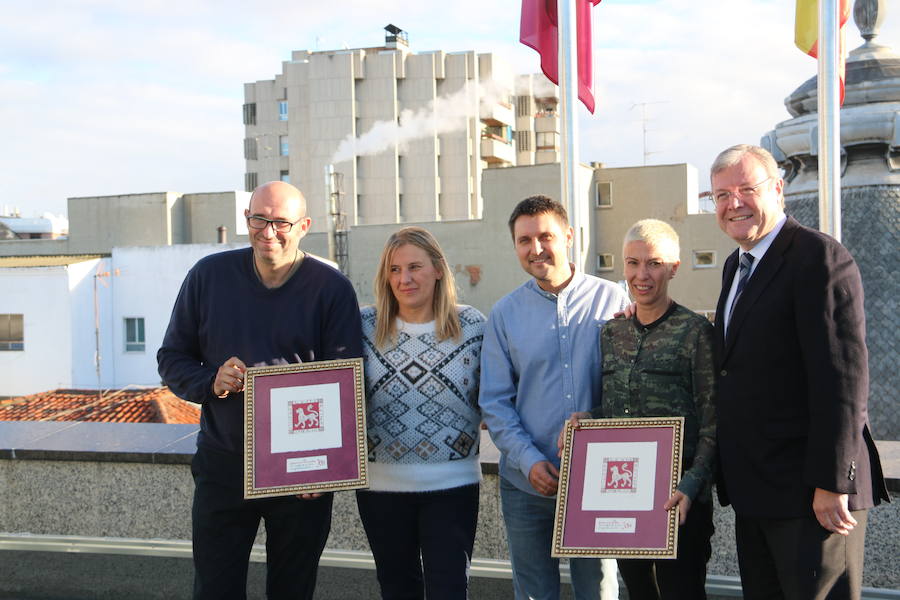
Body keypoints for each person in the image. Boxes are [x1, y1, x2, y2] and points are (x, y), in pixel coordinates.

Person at [157, 181, 363, 600]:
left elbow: (348, 384)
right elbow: (172, 358)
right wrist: (210, 381)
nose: (268, 232)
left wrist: (325, 469)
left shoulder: (332, 288)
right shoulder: (208, 277)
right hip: (224, 465)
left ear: (304, 225)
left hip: (301, 475)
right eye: (259, 219)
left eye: (281, 222)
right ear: (246, 220)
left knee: (292, 589)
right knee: (215, 588)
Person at [710, 144, 889, 599]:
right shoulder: (736, 266)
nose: (734, 204)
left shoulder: (818, 257)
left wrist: (832, 482)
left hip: (813, 495)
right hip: (758, 489)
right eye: (721, 195)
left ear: (778, 190)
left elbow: (843, 380)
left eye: (746, 189)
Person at [479, 195, 627, 600]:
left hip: (597, 483)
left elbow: (630, 385)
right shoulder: (504, 314)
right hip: (526, 485)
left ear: (569, 237)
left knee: (598, 592)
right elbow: (495, 402)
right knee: (533, 594)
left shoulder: (614, 301)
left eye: (545, 236)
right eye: (524, 240)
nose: (536, 248)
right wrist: (529, 462)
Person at [561, 219, 716, 600]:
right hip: (626, 498)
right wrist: (588, 421)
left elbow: (715, 422)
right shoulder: (612, 333)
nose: (641, 275)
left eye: (654, 263)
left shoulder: (695, 332)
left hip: (679, 501)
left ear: (674, 268)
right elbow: (619, 414)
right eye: (632, 263)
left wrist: (691, 487)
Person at [356, 226, 485, 599]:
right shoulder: (363, 326)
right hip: (380, 489)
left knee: (449, 590)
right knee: (397, 590)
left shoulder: (472, 326)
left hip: (452, 486)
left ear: (438, 269)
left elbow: (498, 396)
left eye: (414, 267)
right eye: (394, 270)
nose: (404, 279)